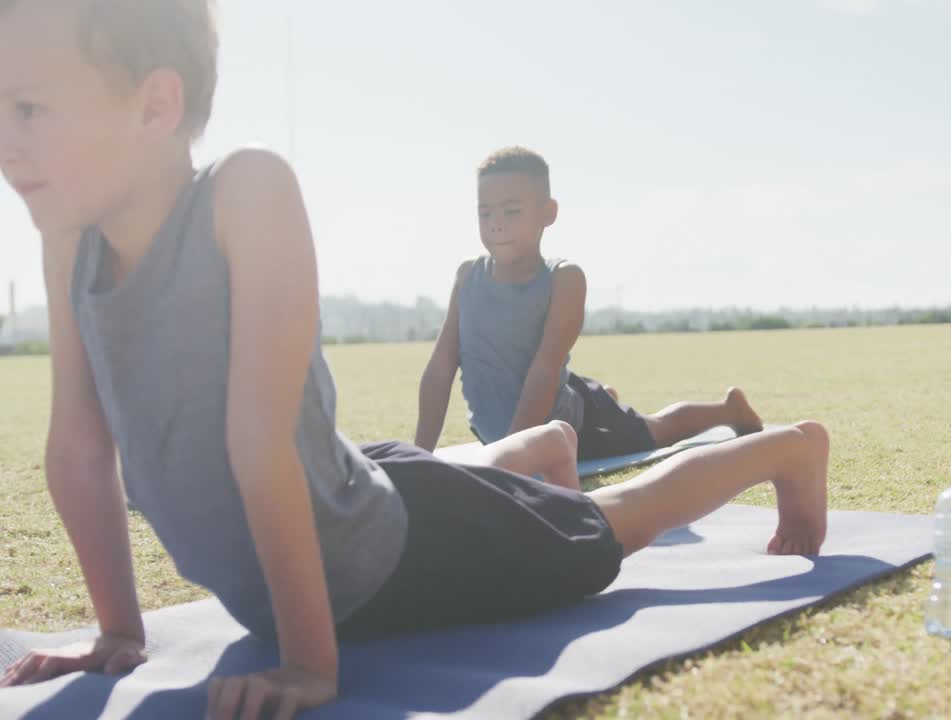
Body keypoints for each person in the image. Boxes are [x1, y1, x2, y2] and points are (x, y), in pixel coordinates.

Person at [0, 2, 830, 718]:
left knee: (618, 523)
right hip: (353, 484)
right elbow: (77, 449)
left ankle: (788, 450)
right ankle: (541, 448)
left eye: (29, 108)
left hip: (397, 552)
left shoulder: (244, 191)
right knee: (432, 480)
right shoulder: (71, 241)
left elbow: (261, 444)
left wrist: (310, 663)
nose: (6, 139)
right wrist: (118, 631)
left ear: (155, 105)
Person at [414, 147, 765, 465]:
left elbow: (544, 370)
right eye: (485, 212)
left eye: (512, 211)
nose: (496, 224)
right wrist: (419, 456)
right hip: (510, 430)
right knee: (588, 400)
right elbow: (441, 367)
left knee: (655, 431)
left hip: (573, 426)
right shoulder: (468, 276)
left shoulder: (563, 278)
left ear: (548, 213)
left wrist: (512, 458)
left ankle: (728, 410)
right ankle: (602, 397)